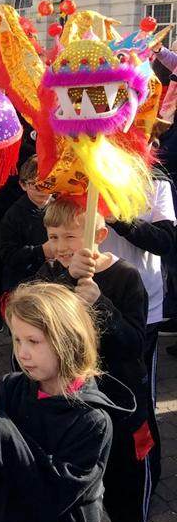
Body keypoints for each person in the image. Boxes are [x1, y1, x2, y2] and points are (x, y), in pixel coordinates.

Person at [0, 281, 129, 522]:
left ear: (68, 341)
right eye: (16, 340)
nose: (22, 353)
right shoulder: (13, 388)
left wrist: (5, 436)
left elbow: (52, 493)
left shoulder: (92, 421)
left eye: (33, 342)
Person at [38, 197, 153, 522]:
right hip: (72, 402)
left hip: (118, 400)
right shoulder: (51, 273)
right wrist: (67, 286)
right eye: (53, 236)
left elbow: (133, 344)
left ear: (99, 235)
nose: (60, 244)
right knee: (76, 480)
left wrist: (99, 303)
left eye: (71, 235)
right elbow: (44, 329)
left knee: (124, 481)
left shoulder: (126, 277)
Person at [100, 172, 175, 492]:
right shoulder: (81, 173)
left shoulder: (157, 181)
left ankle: (147, 474)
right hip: (92, 299)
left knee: (139, 395)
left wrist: (119, 218)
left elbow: (164, 241)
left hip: (143, 307)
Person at [0, 155, 53, 292]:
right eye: (34, 184)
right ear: (23, 185)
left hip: (54, 281)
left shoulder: (59, 207)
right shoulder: (14, 216)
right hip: (26, 284)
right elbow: (8, 254)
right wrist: (41, 251)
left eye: (46, 183)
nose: (41, 190)